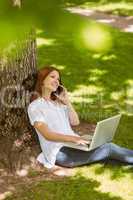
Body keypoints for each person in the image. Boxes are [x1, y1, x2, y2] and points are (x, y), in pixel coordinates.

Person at [28, 66, 133, 170]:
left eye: (58, 79)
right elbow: (48, 135)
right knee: (108, 148)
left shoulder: (58, 103)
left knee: (106, 151)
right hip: (60, 152)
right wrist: (74, 138)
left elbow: (75, 122)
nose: (56, 81)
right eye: (52, 77)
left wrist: (67, 102)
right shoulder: (35, 106)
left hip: (72, 145)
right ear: (42, 80)